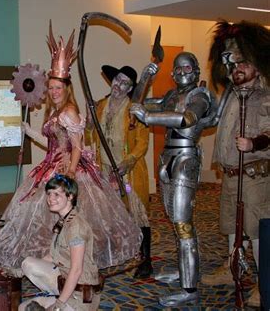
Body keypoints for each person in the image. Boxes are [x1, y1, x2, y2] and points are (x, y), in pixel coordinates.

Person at [0, 23, 141, 272]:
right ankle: (54, 258)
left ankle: (72, 262)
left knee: (70, 218)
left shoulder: (69, 112)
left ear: (67, 88)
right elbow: (53, 144)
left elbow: (77, 147)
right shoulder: (56, 111)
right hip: (53, 164)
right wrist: (29, 131)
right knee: (47, 216)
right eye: (51, 88)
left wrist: (70, 175)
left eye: (58, 88)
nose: (54, 92)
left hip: (69, 169)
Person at [130, 51, 217, 307]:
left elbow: (187, 118)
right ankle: (186, 271)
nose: (181, 73)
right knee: (175, 221)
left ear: (196, 71)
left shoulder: (198, 96)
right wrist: (145, 78)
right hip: (167, 159)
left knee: (183, 224)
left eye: (187, 68)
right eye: (177, 69)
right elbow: (137, 105)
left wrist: (148, 118)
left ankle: (190, 289)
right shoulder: (171, 95)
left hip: (185, 159)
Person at [201, 20, 270, 307]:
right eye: (230, 63)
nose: (235, 69)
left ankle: (263, 284)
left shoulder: (265, 93)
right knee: (231, 227)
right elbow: (212, 120)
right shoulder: (229, 92)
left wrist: (255, 143)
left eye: (241, 63)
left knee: (255, 230)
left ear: (255, 62)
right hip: (229, 174)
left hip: (255, 175)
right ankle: (233, 271)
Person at [86, 64, 152, 279]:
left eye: (125, 83)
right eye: (117, 80)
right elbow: (90, 135)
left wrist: (129, 161)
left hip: (128, 174)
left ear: (130, 88)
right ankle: (114, 255)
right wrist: (88, 122)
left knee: (137, 213)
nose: (119, 85)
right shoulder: (100, 106)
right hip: (104, 171)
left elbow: (142, 142)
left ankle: (145, 260)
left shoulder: (135, 110)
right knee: (107, 215)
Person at [19, 175, 102, 310]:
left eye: (56, 194)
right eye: (49, 194)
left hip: (82, 295)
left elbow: (76, 270)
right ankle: (57, 296)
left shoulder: (76, 227)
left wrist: (58, 305)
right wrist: (19, 271)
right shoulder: (64, 220)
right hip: (66, 281)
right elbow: (53, 256)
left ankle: (62, 301)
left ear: (70, 197)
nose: (50, 198)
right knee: (24, 306)